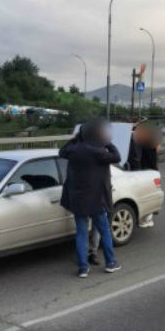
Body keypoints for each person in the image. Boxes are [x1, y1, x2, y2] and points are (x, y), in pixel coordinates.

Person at [59, 118, 122, 278]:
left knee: (81, 233)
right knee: (104, 231)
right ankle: (111, 263)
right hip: (97, 200)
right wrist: (107, 141)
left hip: (78, 200)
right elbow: (117, 156)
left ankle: (83, 268)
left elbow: (62, 151)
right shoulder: (99, 151)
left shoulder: (73, 150)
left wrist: (74, 138)